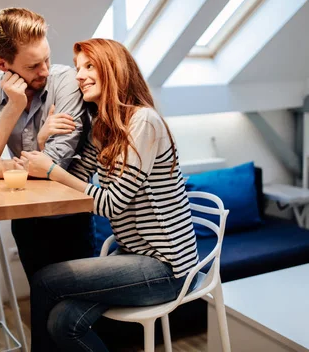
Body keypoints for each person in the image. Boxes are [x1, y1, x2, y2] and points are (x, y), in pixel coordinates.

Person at [22, 38, 199, 351]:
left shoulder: (144, 122)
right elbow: (74, 178)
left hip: (167, 268)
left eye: (89, 66)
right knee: (62, 322)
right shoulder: (103, 129)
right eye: (78, 68)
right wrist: (42, 140)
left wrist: (51, 169)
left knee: (45, 280)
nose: (79, 75)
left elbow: (111, 204)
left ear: (113, 69)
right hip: (134, 257)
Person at [0, 7, 94, 281]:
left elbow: (54, 162)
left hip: (69, 215)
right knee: (41, 299)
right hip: (25, 218)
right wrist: (14, 106)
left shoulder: (67, 83)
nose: (45, 71)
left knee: (79, 310)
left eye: (46, 59)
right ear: (3, 64)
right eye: (33, 66)